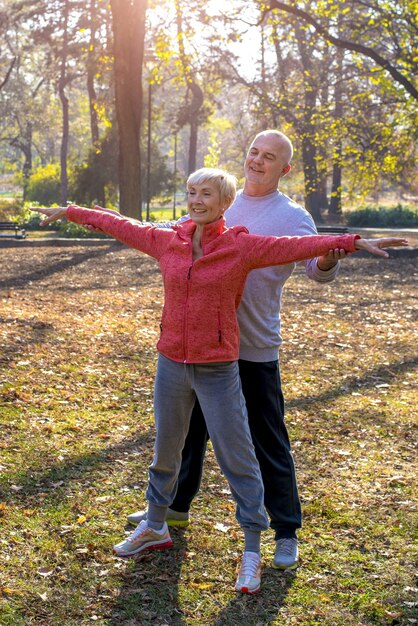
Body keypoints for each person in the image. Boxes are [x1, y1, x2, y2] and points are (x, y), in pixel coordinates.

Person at [32, 168, 405, 594]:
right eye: (191, 192)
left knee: (238, 459)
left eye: (205, 193)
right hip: (171, 363)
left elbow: (297, 245)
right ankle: (156, 526)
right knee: (166, 450)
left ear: (225, 202)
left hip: (218, 369)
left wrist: (349, 242)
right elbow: (122, 225)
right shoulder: (168, 239)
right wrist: (71, 211)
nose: (196, 200)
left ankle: (251, 551)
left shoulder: (240, 246)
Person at [125, 130, 394, 571]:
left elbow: (315, 269)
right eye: (253, 152)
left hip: (253, 344)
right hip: (200, 347)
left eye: (269, 157)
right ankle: (172, 509)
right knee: (188, 433)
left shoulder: (292, 216)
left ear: (283, 168)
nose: (257, 161)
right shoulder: (221, 197)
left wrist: (330, 255)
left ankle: (286, 530)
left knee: (266, 439)